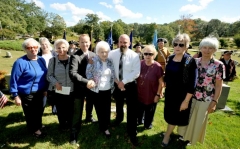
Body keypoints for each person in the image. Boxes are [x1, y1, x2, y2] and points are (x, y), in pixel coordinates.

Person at [183, 37, 225, 145]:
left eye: (210, 48)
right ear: (200, 48)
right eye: (205, 47)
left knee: (198, 119)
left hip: (206, 97)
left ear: (215, 50)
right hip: (191, 96)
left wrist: (215, 101)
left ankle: (192, 138)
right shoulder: (194, 62)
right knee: (188, 116)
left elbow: (219, 85)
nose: (207, 50)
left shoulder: (219, 65)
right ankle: (183, 135)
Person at [161, 33, 197, 147]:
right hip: (170, 93)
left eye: (181, 45)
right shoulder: (171, 58)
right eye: (175, 44)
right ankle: (170, 133)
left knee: (176, 116)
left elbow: (192, 84)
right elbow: (167, 75)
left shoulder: (190, 61)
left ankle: (167, 135)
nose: (177, 47)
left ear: (186, 46)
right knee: (170, 115)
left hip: (182, 95)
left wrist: (186, 101)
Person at [10, 38, 48, 138]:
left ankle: (38, 125)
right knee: (31, 113)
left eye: (35, 47)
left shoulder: (41, 59)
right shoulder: (20, 62)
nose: (33, 49)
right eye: (29, 47)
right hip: (28, 93)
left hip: (41, 92)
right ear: (25, 49)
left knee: (40, 111)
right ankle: (35, 130)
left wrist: (45, 89)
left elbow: (45, 75)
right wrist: (15, 96)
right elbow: (13, 80)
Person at [108, 34, 140, 146]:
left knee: (132, 108)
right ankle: (119, 119)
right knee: (118, 102)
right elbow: (108, 67)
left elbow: (136, 72)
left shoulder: (135, 56)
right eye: (121, 42)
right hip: (117, 83)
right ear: (118, 42)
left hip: (130, 85)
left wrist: (124, 81)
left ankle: (132, 131)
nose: (123, 44)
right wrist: (117, 81)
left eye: (125, 42)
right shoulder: (112, 54)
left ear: (129, 43)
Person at [69, 34, 97, 144]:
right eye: (82, 42)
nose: (85, 44)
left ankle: (89, 117)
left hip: (92, 87)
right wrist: (86, 82)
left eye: (86, 42)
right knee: (77, 111)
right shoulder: (75, 56)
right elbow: (73, 73)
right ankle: (74, 132)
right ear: (78, 43)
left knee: (90, 103)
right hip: (79, 87)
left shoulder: (94, 54)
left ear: (90, 42)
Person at [86, 41, 115, 138]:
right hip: (96, 90)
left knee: (107, 109)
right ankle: (104, 128)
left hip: (107, 90)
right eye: (101, 52)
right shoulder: (93, 60)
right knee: (99, 110)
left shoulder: (110, 61)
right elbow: (88, 73)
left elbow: (113, 75)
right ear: (97, 52)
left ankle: (105, 124)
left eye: (106, 51)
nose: (104, 54)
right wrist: (91, 80)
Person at [47, 39, 74, 131]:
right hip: (59, 89)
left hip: (71, 90)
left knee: (70, 109)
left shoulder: (72, 59)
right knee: (61, 109)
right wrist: (55, 83)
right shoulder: (52, 60)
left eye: (63, 47)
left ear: (67, 48)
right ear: (55, 49)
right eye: (59, 48)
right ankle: (62, 125)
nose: (61, 50)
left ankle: (70, 124)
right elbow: (49, 75)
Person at [137, 45, 164, 130]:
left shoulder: (158, 67)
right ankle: (139, 120)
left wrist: (157, 94)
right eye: (146, 54)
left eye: (150, 54)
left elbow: (161, 82)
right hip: (140, 92)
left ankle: (148, 124)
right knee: (139, 109)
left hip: (151, 94)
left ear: (154, 55)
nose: (148, 56)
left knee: (149, 111)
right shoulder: (139, 63)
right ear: (143, 54)